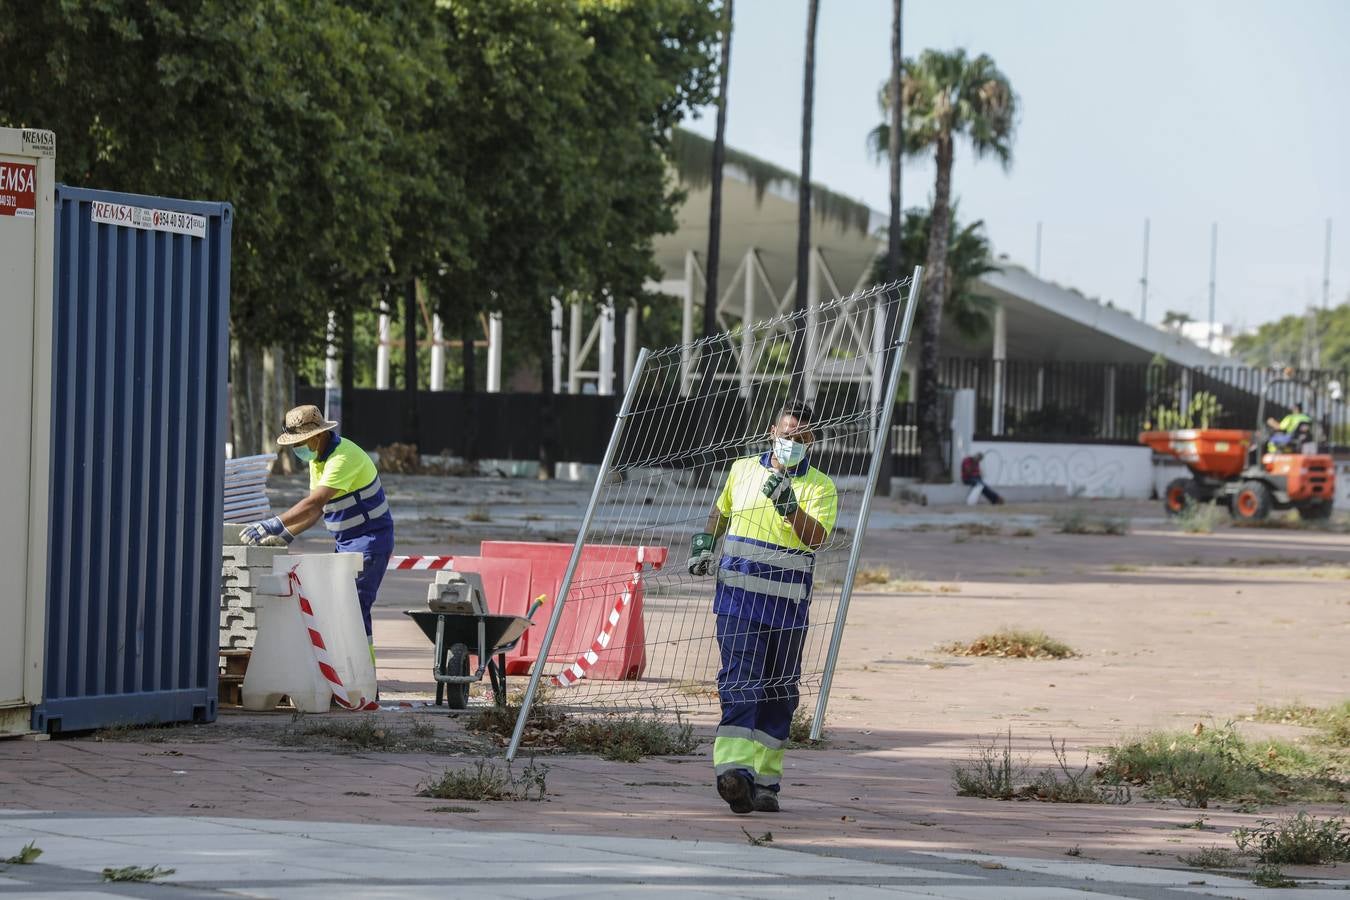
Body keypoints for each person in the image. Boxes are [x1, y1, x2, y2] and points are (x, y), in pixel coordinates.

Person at [687, 400, 838, 815]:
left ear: (811, 444)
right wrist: (705, 542)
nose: (791, 443)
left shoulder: (819, 486)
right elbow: (721, 510)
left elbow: (817, 538)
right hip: (737, 599)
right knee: (740, 682)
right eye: (785, 434)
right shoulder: (743, 470)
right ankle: (733, 774)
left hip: (786, 608)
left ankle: (767, 781)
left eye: (801, 439)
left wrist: (789, 506)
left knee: (779, 690)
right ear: (772, 431)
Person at [242, 405, 395, 665]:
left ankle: (365, 680)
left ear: (317, 436)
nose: (296, 448)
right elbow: (318, 511)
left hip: (369, 543)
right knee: (339, 608)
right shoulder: (319, 459)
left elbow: (313, 503)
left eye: (299, 442)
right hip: (347, 543)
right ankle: (346, 677)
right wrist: (287, 535)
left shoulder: (343, 457)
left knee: (355, 610)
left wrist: (273, 524)